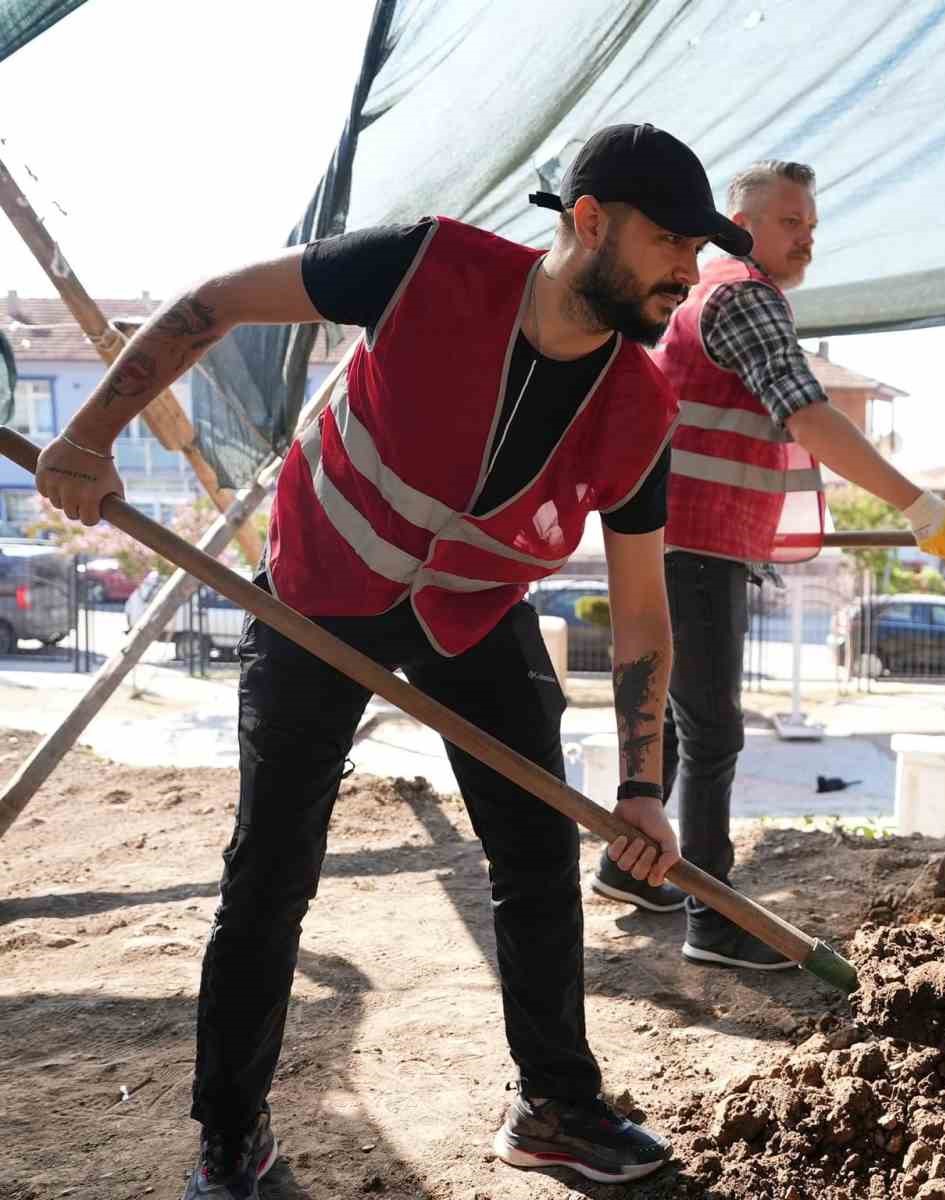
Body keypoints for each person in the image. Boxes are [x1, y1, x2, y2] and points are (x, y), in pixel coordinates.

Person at [33, 124, 747, 1196]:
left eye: (699, 250)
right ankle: (230, 1137)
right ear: (587, 223)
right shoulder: (423, 266)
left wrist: (644, 790)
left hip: (470, 609)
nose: (688, 273)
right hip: (320, 588)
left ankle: (555, 1107)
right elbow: (212, 303)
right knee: (270, 875)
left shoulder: (639, 407)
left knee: (539, 857)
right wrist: (86, 437)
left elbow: (642, 611)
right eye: (671, 244)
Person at [588, 160, 945, 968]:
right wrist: (917, 506)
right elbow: (806, 412)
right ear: (744, 224)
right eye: (790, 220)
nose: (808, 237)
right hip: (691, 539)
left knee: (679, 721)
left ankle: (630, 867)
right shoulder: (743, 295)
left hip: (674, 533)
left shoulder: (698, 294)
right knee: (712, 727)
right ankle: (714, 919)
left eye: (812, 223)